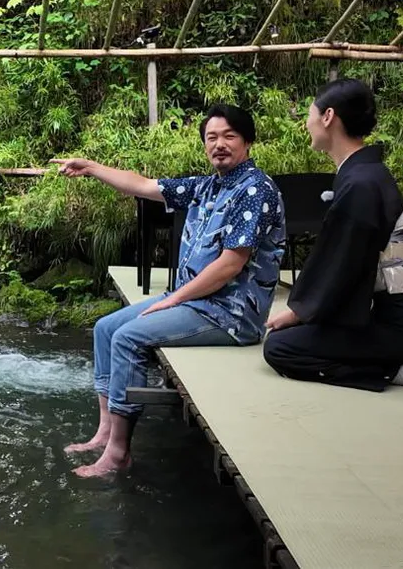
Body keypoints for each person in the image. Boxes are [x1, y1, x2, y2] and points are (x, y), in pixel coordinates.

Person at [52, 104, 285, 477]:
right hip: (195, 302)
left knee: (127, 338)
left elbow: (231, 264)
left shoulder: (256, 190)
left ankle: (118, 453)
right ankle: (105, 430)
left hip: (229, 314)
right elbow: (143, 185)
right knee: (105, 329)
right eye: (212, 137)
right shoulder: (206, 187)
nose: (219, 144)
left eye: (229, 136)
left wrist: (174, 297)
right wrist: (92, 168)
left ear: (247, 142)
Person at [262, 78, 403, 391]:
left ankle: (394, 369)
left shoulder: (360, 183)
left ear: (328, 117)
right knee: (290, 338)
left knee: (281, 347)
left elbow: (344, 263)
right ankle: (401, 361)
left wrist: (299, 311)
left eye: (309, 114)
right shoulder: (365, 174)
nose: (307, 123)